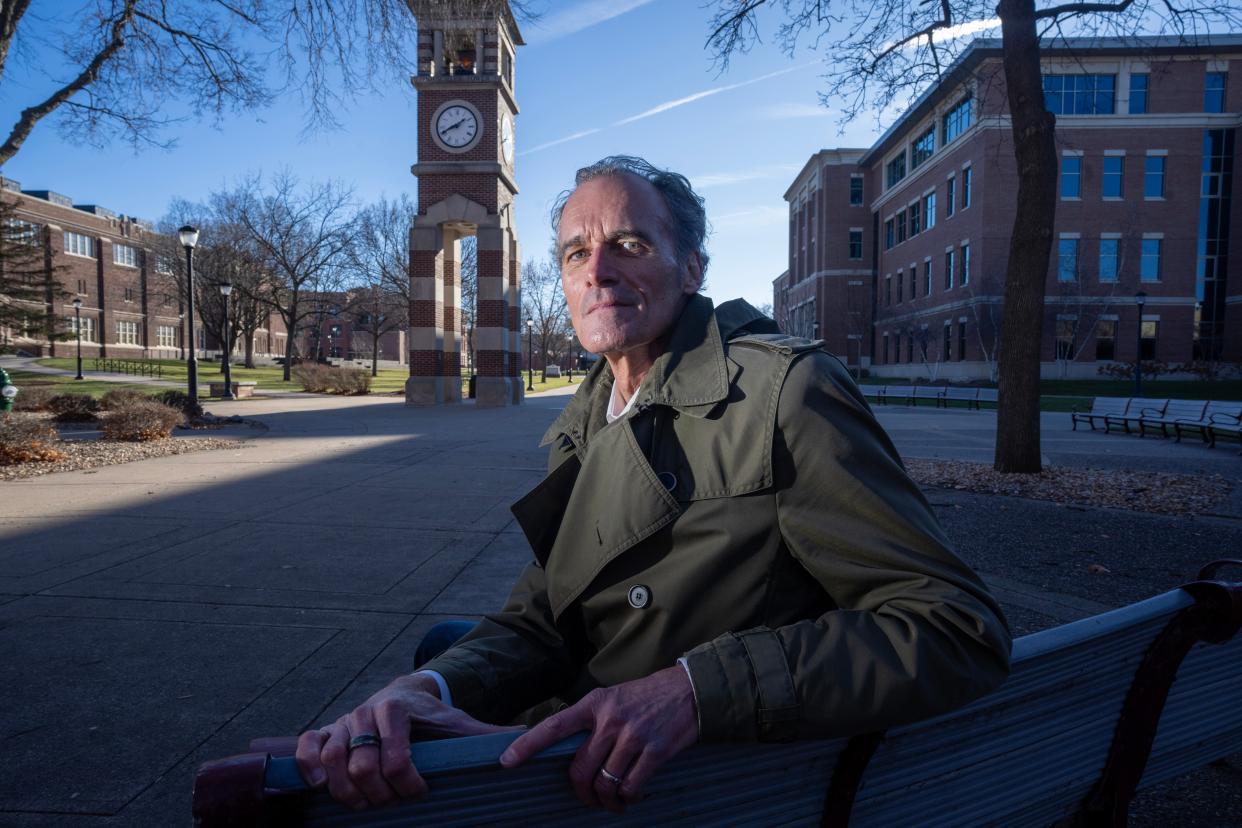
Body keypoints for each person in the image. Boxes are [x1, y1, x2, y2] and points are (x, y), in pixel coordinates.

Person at [296, 156, 1011, 814]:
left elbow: (953, 629)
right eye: (576, 252)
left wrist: (697, 690)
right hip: (593, 738)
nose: (597, 270)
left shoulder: (783, 395)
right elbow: (548, 612)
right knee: (434, 659)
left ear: (691, 267)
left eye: (630, 244)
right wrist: (429, 691)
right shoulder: (588, 411)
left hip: (680, 783)